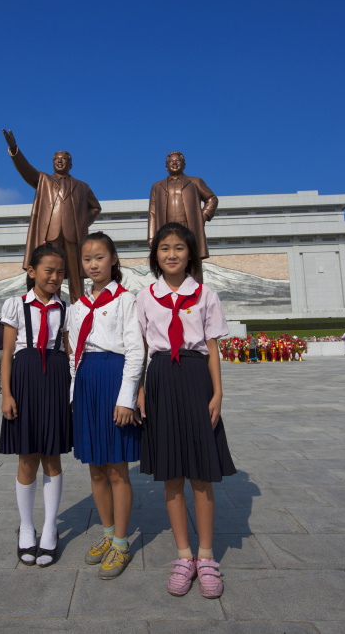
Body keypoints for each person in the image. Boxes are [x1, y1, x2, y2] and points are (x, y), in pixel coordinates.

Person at [136, 222, 236, 599]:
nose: (172, 254)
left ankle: (207, 556)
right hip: (161, 378)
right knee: (172, 473)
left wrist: (218, 393)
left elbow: (212, 348)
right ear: (155, 255)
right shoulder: (145, 297)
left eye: (179, 248)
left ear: (190, 254)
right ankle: (183, 555)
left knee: (202, 473)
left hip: (196, 380)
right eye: (164, 248)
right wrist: (141, 389)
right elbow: (143, 348)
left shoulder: (205, 294)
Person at [68, 232, 144, 579]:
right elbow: (74, 355)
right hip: (86, 382)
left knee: (116, 468)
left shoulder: (127, 300)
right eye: (87, 259)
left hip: (113, 379)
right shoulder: (77, 307)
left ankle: (123, 543)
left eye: (100, 257)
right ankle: (108, 533)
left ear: (113, 259)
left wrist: (127, 398)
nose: (93, 264)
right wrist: (73, 395)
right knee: (95, 466)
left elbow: (136, 350)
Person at [0, 243, 72, 568]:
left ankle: (50, 529)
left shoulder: (66, 308)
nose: (55, 276)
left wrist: (72, 394)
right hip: (25, 379)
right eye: (49, 270)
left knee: (52, 456)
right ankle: (26, 527)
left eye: (60, 272)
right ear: (31, 271)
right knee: (27, 456)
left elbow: (71, 353)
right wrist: (6, 394)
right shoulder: (16, 305)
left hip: (56, 379)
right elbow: (7, 354)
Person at [2, 129, 101, 303]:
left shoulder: (82, 186)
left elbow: (95, 208)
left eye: (64, 159)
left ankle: (78, 308)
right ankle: (49, 304)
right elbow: (25, 170)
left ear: (71, 164)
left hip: (73, 235)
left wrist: (82, 222)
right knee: (50, 270)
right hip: (49, 233)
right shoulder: (43, 180)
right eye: (56, 159)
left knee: (75, 274)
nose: (60, 161)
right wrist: (15, 150)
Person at [148, 152, 218, 282]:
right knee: (168, 263)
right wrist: (152, 237)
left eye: (178, 161)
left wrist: (202, 217)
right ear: (166, 167)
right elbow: (152, 212)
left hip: (189, 227)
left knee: (193, 265)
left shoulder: (195, 182)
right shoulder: (157, 186)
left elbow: (212, 199)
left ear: (184, 165)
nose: (174, 163)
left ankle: (197, 296)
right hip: (166, 229)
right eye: (170, 162)